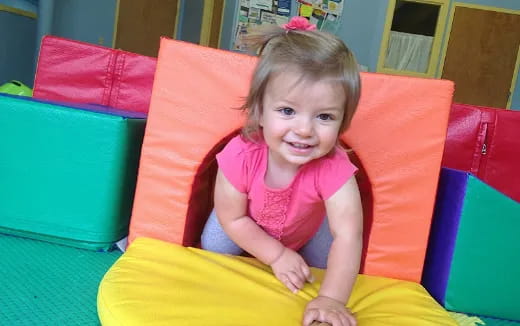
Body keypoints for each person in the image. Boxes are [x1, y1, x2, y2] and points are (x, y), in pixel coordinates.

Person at [201, 16, 363, 326]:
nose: (304, 130)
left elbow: (348, 234)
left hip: (307, 227)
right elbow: (233, 217)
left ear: (343, 122)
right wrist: (276, 255)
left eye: (325, 117)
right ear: (259, 111)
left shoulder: (334, 167)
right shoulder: (240, 154)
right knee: (214, 248)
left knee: (325, 267)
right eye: (287, 111)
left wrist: (331, 299)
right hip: (242, 221)